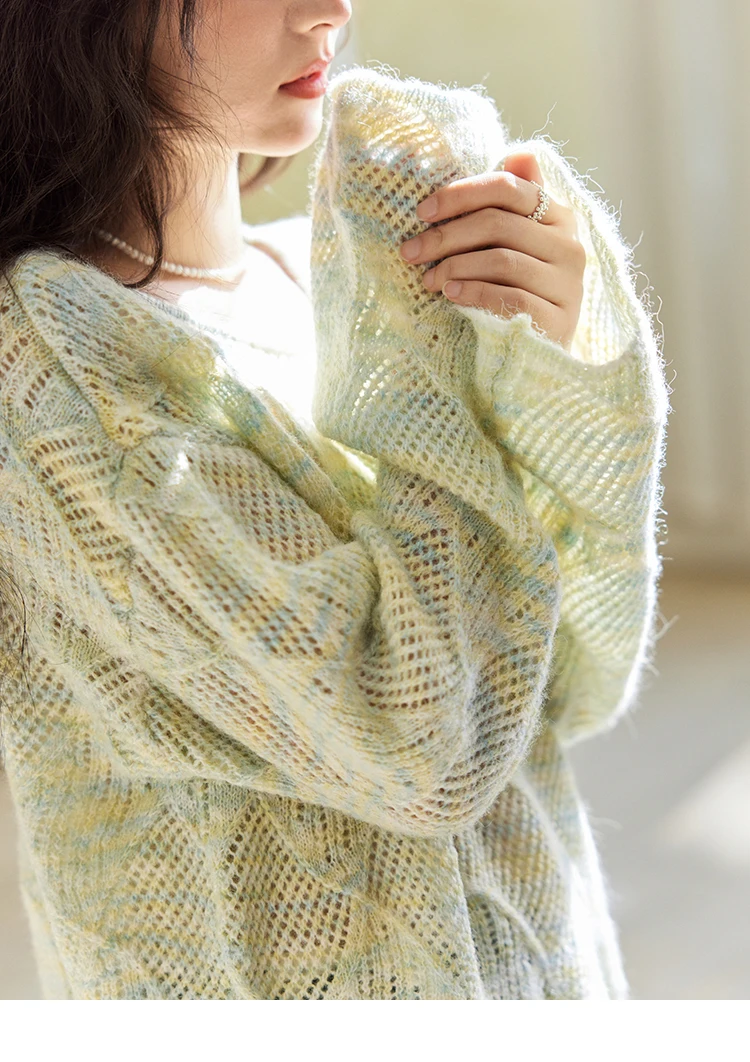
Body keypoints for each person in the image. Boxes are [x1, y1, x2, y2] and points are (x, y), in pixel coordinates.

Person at [0, 0, 670, 1000]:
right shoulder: (49, 376)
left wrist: (555, 358)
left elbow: (572, 684)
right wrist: (425, 348)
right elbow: (420, 743)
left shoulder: (340, 288)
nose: (330, 10)